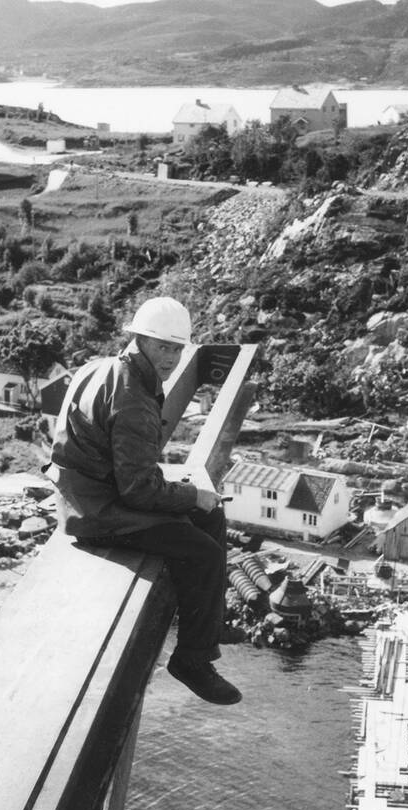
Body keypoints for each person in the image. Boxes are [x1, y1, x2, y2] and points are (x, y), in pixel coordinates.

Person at [45, 296, 241, 705]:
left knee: (209, 515)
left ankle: (198, 647)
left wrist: (195, 501)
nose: (170, 357)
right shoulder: (133, 396)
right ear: (138, 339)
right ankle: (192, 659)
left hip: (84, 493)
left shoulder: (103, 367)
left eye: (176, 348)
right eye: (161, 345)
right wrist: (191, 495)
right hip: (97, 512)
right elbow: (139, 490)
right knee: (202, 551)